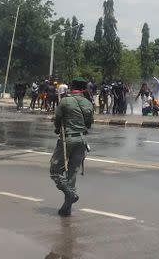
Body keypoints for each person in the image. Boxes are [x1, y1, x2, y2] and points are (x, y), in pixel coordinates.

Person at [50, 78, 93, 217]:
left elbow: (57, 119)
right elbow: (89, 124)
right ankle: (67, 207)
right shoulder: (88, 103)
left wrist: (57, 129)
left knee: (55, 171)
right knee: (72, 174)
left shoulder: (65, 101)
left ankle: (71, 194)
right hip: (82, 140)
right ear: (84, 88)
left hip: (67, 139)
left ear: (72, 86)